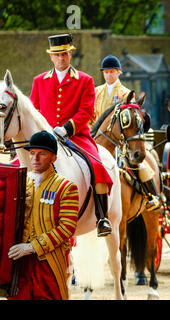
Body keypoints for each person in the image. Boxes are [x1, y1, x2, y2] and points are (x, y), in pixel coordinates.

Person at [30, 33, 113, 237]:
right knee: (17, 163)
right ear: (51, 56)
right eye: (57, 55)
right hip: (45, 137)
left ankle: (102, 217)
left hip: (76, 136)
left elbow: (86, 110)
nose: (61, 58)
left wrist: (66, 128)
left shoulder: (85, 80)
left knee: (98, 166)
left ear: (70, 54)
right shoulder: (39, 80)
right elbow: (33, 110)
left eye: (65, 54)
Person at [7, 131, 79, 300]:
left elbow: (66, 228)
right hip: (20, 263)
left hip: (49, 263)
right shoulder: (20, 183)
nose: (35, 159)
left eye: (42, 154)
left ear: (53, 158)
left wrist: (32, 247)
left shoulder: (66, 187)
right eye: (32, 154)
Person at [91, 55, 132, 126]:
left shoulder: (126, 93)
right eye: (106, 72)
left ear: (118, 72)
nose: (109, 75)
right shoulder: (96, 91)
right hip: (97, 133)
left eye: (112, 71)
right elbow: (89, 114)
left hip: (116, 134)